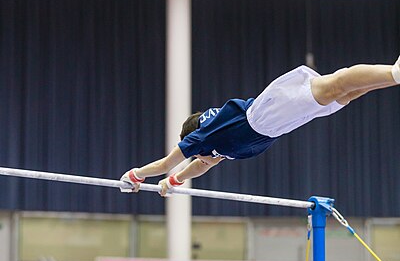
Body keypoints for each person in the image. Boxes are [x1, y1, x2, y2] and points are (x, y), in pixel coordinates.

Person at [120, 57, 400, 196]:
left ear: (195, 142)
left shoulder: (202, 137)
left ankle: (394, 72)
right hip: (280, 123)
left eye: (197, 154)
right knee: (345, 96)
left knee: (338, 84)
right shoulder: (216, 149)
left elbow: (166, 163)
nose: (201, 160)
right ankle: (392, 76)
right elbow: (199, 166)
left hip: (267, 114)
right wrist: (173, 182)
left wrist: (135, 175)